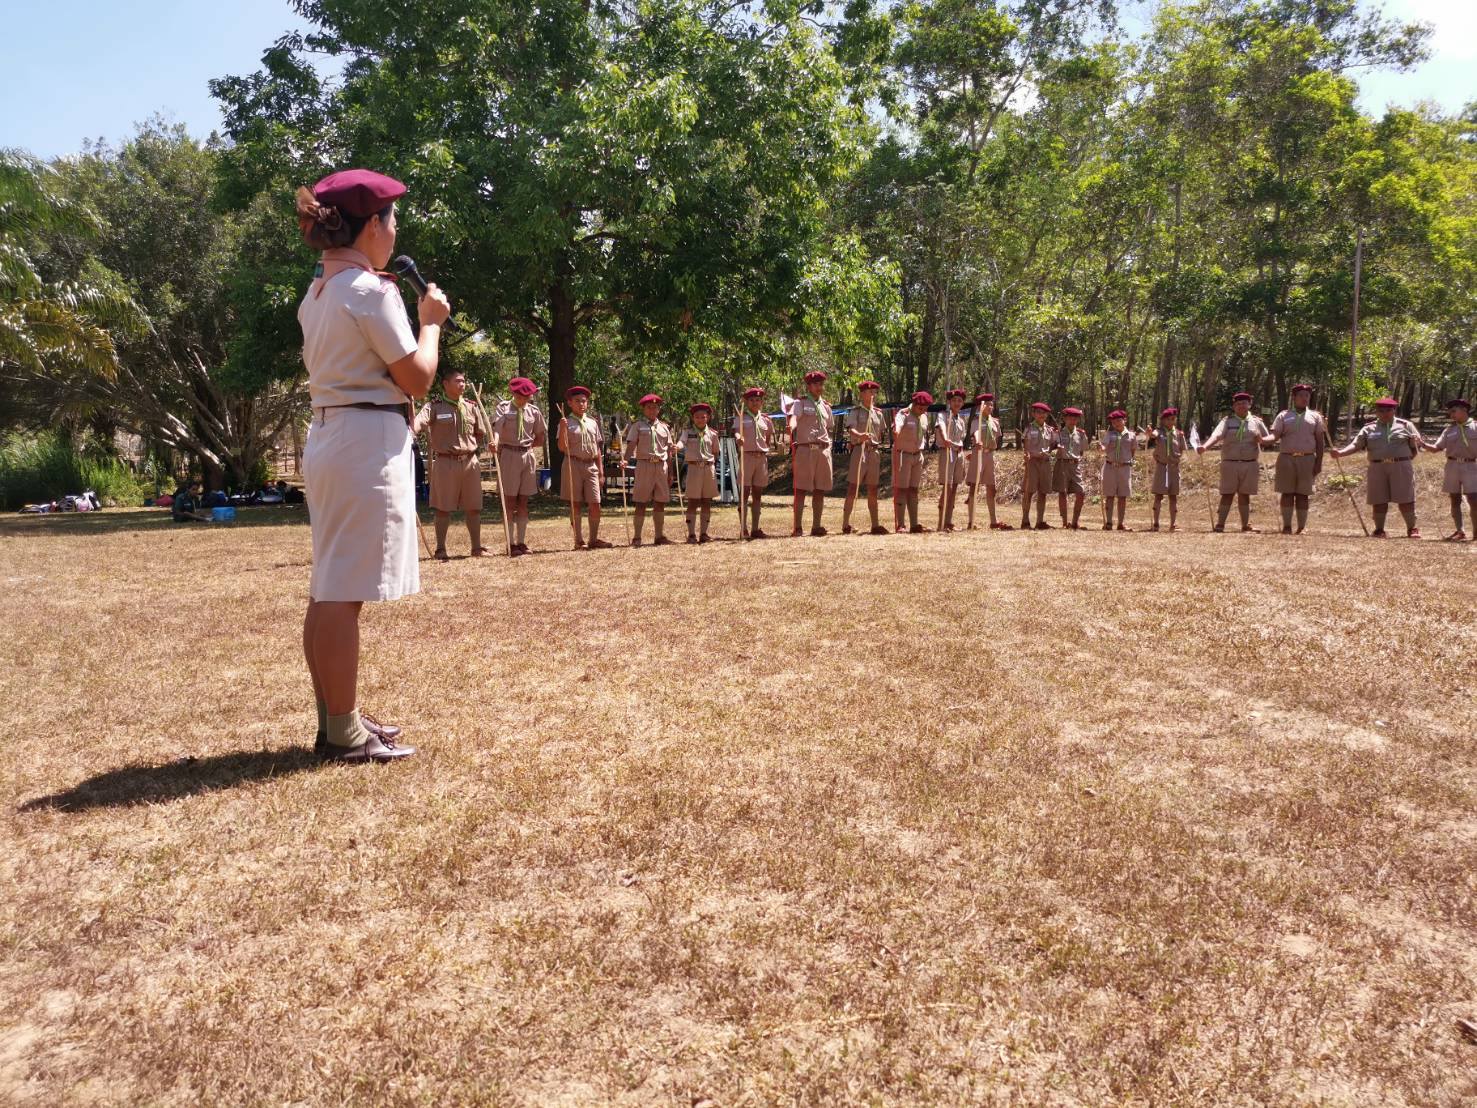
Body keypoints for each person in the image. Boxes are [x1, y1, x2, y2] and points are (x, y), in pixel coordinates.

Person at [296, 167, 447, 762]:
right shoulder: (370, 292)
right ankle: (343, 732)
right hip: (363, 440)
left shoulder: (321, 290)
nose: (395, 230)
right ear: (371, 227)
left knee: (329, 586)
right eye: (392, 219)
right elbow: (417, 376)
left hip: (332, 434)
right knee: (343, 592)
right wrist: (430, 324)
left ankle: (338, 718)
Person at [412, 366, 489, 559]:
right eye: (458, 381)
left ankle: (477, 547)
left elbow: (480, 433)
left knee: (473, 507)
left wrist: (472, 449)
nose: (462, 384)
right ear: (445, 384)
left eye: (463, 381)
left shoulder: (471, 406)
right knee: (443, 508)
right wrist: (410, 430)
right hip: (445, 463)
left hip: (470, 462)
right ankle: (441, 549)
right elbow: (418, 423)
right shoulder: (434, 407)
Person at [1331, 396, 1422, 538]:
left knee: (1405, 498)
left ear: (1394, 410)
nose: (1384, 413)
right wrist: (1340, 453)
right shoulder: (1368, 428)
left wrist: (1413, 446)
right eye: (1381, 411)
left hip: (1400, 465)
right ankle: (1379, 530)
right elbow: (1356, 445)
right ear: (1376, 412)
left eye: (1388, 410)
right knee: (1379, 499)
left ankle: (1412, 528)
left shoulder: (1406, 425)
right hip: (1377, 466)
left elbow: (1416, 446)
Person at [1197, 391, 1274, 532]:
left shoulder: (1257, 422)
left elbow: (1269, 439)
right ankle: (1220, 524)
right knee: (1227, 494)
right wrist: (1205, 447)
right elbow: (1216, 435)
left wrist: (1262, 440)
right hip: (1230, 463)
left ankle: (1245, 525)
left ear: (1249, 405)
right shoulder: (1227, 421)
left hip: (1250, 463)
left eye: (1244, 403)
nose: (1241, 406)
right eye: (1238, 404)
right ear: (1234, 406)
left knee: (1245, 494)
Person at [492, 376, 545, 556]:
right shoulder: (503, 408)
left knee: (523, 501)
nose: (524, 399)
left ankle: (521, 542)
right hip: (508, 454)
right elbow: (497, 429)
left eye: (527, 396)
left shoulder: (534, 411)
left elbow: (540, 436)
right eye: (520, 396)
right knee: (509, 501)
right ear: (514, 394)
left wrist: (527, 447)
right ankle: (510, 543)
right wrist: (495, 443)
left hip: (527, 455)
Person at [556, 385, 611, 550]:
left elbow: (597, 449)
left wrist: (601, 472)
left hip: (591, 465)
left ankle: (593, 539)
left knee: (595, 503)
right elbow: (562, 447)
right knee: (576, 503)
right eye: (577, 401)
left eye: (584, 401)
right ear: (570, 403)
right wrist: (563, 428)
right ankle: (578, 540)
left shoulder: (592, 423)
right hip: (572, 463)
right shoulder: (565, 422)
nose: (581, 404)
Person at [1269, 383, 1328, 535]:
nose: (1304, 398)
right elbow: (1275, 435)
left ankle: (1302, 527)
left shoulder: (1315, 417)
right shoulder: (1283, 415)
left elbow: (1320, 442)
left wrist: (1319, 462)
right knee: (1287, 493)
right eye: (1301, 395)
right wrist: (1262, 439)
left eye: (1307, 395)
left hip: (1307, 459)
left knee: (1303, 494)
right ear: (1294, 397)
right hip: (1286, 458)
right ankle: (1287, 526)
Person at [1420, 398, 1477, 541]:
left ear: (1464, 410)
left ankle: (1476, 531)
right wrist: (1422, 444)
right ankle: (1460, 531)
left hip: (1471, 466)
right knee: (1454, 499)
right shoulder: (1449, 430)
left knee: (1474, 499)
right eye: (1450, 412)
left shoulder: (1475, 427)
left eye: (1454, 411)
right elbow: (1436, 448)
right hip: (1452, 466)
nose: (1451, 415)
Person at [625, 393, 677, 546]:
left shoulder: (665, 428)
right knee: (641, 501)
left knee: (660, 501)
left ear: (658, 410)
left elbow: (669, 451)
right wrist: (625, 460)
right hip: (644, 465)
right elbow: (631, 445)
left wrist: (671, 472)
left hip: (661, 466)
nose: (652, 410)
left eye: (655, 407)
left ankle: (659, 536)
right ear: (644, 409)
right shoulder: (638, 426)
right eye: (649, 407)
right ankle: (637, 537)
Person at [789, 370, 833, 536]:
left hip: (822, 450)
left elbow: (829, 427)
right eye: (815, 384)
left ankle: (816, 526)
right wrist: (791, 426)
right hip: (806, 449)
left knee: (820, 489)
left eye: (821, 384)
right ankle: (798, 527)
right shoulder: (800, 403)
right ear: (808, 386)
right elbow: (794, 418)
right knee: (801, 489)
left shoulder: (826, 406)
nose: (819, 387)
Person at [842, 380, 887, 535]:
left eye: (874, 392)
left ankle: (875, 525)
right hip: (859, 450)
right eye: (870, 392)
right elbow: (851, 429)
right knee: (853, 487)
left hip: (873, 452)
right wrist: (859, 435)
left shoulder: (878, 413)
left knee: (873, 489)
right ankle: (846, 524)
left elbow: (881, 432)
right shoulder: (856, 411)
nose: (873, 395)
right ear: (862, 394)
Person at [965, 393, 1009, 530]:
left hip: (989, 455)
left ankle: (993, 521)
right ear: (980, 406)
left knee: (991, 488)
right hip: (978, 454)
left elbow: (996, 438)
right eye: (987, 404)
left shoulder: (994, 421)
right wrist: (977, 441)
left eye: (991, 404)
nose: (990, 407)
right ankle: (971, 521)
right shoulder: (976, 421)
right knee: (974, 487)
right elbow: (976, 433)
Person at [737, 387, 775, 539]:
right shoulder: (741, 417)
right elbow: (737, 431)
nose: (755, 402)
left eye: (758, 400)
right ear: (746, 402)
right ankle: (743, 528)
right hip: (747, 457)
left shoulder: (766, 420)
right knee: (744, 493)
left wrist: (764, 450)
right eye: (751, 400)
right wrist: (739, 438)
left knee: (758, 493)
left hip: (761, 458)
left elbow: (767, 439)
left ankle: (755, 528)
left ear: (761, 402)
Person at [679, 403, 720, 543]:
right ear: (693, 418)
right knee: (693, 501)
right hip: (694, 468)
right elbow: (682, 442)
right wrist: (676, 447)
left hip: (708, 468)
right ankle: (691, 534)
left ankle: (704, 533)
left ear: (708, 417)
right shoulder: (687, 432)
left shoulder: (713, 434)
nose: (700, 419)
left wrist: (710, 464)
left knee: (706, 501)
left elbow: (715, 452)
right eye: (697, 417)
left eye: (703, 417)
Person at [893, 391, 932, 532]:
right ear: (914, 404)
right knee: (902, 489)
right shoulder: (903, 414)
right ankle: (901, 524)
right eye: (920, 407)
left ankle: (914, 524)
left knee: (914, 489)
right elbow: (897, 426)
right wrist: (896, 431)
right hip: (904, 455)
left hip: (918, 456)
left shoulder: (924, 417)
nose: (923, 410)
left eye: (925, 408)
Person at [1146, 407, 1186, 532]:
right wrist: (1150, 433)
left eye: (1173, 419)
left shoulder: (1179, 434)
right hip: (1162, 467)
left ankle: (1173, 524)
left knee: (1173, 497)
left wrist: (1176, 459)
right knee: (1158, 496)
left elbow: (1182, 449)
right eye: (1167, 419)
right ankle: (1156, 524)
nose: (1170, 421)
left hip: (1173, 468)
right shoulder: (1159, 432)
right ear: (1163, 420)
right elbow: (1153, 435)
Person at [1096, 409, 1137, 530]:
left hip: (1124, 468)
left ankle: (1121, 523)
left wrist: (1128, 460)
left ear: (1125, 420)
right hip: (1110, 467)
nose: (1116, 424)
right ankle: (1109, 523)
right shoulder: (1109, 435)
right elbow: (1104, 446)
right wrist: (1101, 448)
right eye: (1114, 422)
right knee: (1109, 495)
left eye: (1119, 420)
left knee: (1122, 496)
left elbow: (1133, 450)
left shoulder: (1131, 435)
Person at [934, 389, 968, 531]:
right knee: (947, 487)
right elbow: (941, 427)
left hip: (958, 453)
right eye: (954, 400)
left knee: (954, 487)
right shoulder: (942, 415)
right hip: (947, 451)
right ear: (949, 402)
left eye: (959, 401)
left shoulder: (961, 420)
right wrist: (945, 438)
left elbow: (961, 438)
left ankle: (948, 521)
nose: (957, 403)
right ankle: (941, 523)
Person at [1021, 402, 1056, 530]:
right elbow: (1026, 446)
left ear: (1047, 415)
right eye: (1038, 412)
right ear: (1033, 414)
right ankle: (1025, 521)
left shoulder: (1050, 430)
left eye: (1044, 413)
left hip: (1045, 463)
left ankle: (1040, 521)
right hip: (1032, 463)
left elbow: (1052, 445)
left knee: (1043, 492)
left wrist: (1048, 452)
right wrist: (1029, 455)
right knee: (1029, 492)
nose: (1041, 415)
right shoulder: (1029, 428)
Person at [1053, 406, 1088, 529]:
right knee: (1063, 492)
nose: (1072, 420)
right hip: (1062, 464)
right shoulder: (1058, 433)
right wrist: (1058, 449)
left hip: (1075, 465)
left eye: (1075, 418)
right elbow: (1051, 447)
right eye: (1070, 418)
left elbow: (1082, 451)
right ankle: (1064, 522)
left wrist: (1075, 458)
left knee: (1081, 492)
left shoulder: (1081, 434)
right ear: (1065, 419)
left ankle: (1074, 522)